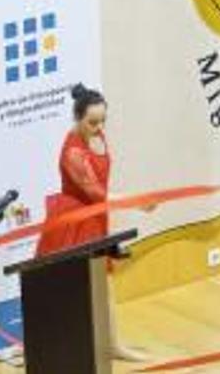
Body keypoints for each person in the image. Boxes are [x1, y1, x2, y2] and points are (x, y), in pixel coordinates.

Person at [35, 84, 147, 361]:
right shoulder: (72, 152)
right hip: (75, 220)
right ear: (78, 118)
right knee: (71, 288)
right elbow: (96, 192)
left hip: (95, 216)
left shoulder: (96, 137)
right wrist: (137, 202)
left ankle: (112, 345)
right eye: (92, 122)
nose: (98, 127)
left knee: (104, 284)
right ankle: (55, 349)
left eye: (102, 121)